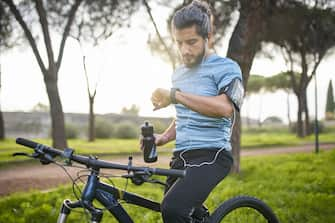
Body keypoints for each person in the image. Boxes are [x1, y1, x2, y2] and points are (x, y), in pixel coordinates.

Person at [145, 1, 244, 222]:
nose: (184, 50)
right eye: (178, 43)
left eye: (191, 42)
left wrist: (175, 96)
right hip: (181, 157)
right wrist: (164, 137)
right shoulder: (178, 74)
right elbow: (184, 115)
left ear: (208, 37)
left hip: (212, 156)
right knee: (179, 212)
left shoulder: (227, 68)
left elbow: (225, 108)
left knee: (173, 209)